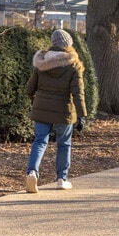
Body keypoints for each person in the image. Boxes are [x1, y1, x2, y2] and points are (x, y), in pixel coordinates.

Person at [25, 29, 87, 193]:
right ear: (68, 44)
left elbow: (30, 88)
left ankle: (32, 172)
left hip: (42, 108)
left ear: (53, 43)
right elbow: (78, 93)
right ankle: (62, 179)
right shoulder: (73, 65)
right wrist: (82, 115)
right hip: (64, 110)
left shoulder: (42, 62)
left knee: (39, 141)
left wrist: (34, 99)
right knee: (64, 144)